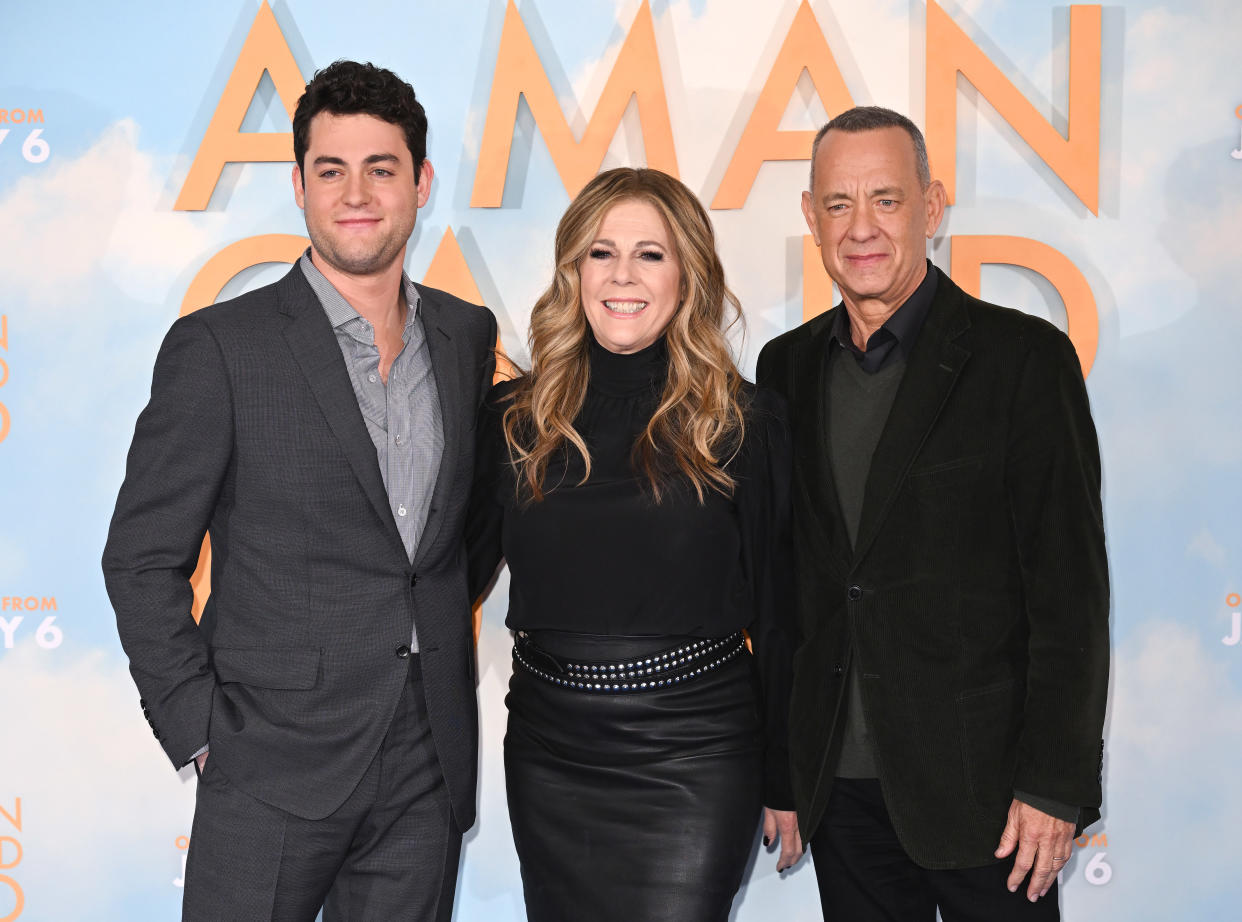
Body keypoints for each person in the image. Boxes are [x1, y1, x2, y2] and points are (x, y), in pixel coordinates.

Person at [102, 61, 496, 921]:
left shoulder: (467, 338)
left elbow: (456, 542)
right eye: (331, 170)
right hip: (266, 767)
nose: (356, 193)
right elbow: (140, 557)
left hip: (425, 770)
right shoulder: (220, 348)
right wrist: (202, 730)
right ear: (298, 184)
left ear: (421, 184)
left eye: (382, 168)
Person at [756, 106, 1109, 920]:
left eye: (886, 198)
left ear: (933, 207)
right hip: (840, 798)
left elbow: (1069, 593)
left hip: (993, 800)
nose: (861, 228)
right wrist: (783, 770)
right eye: (838, 204)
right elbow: (787, 594)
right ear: (811, 217)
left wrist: (1054, 783)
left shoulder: (1022, 361)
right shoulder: (786, 370)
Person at [468, 167, 801, 921]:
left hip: (696, 752)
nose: (622, 275)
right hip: (549, 747)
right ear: (572, 271)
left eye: (650, 254)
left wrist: (785, 776)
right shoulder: (514, 420)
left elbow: (784, 614)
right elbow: (450, 576)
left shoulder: (744, 423)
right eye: (600, 252)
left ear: (687, 275)